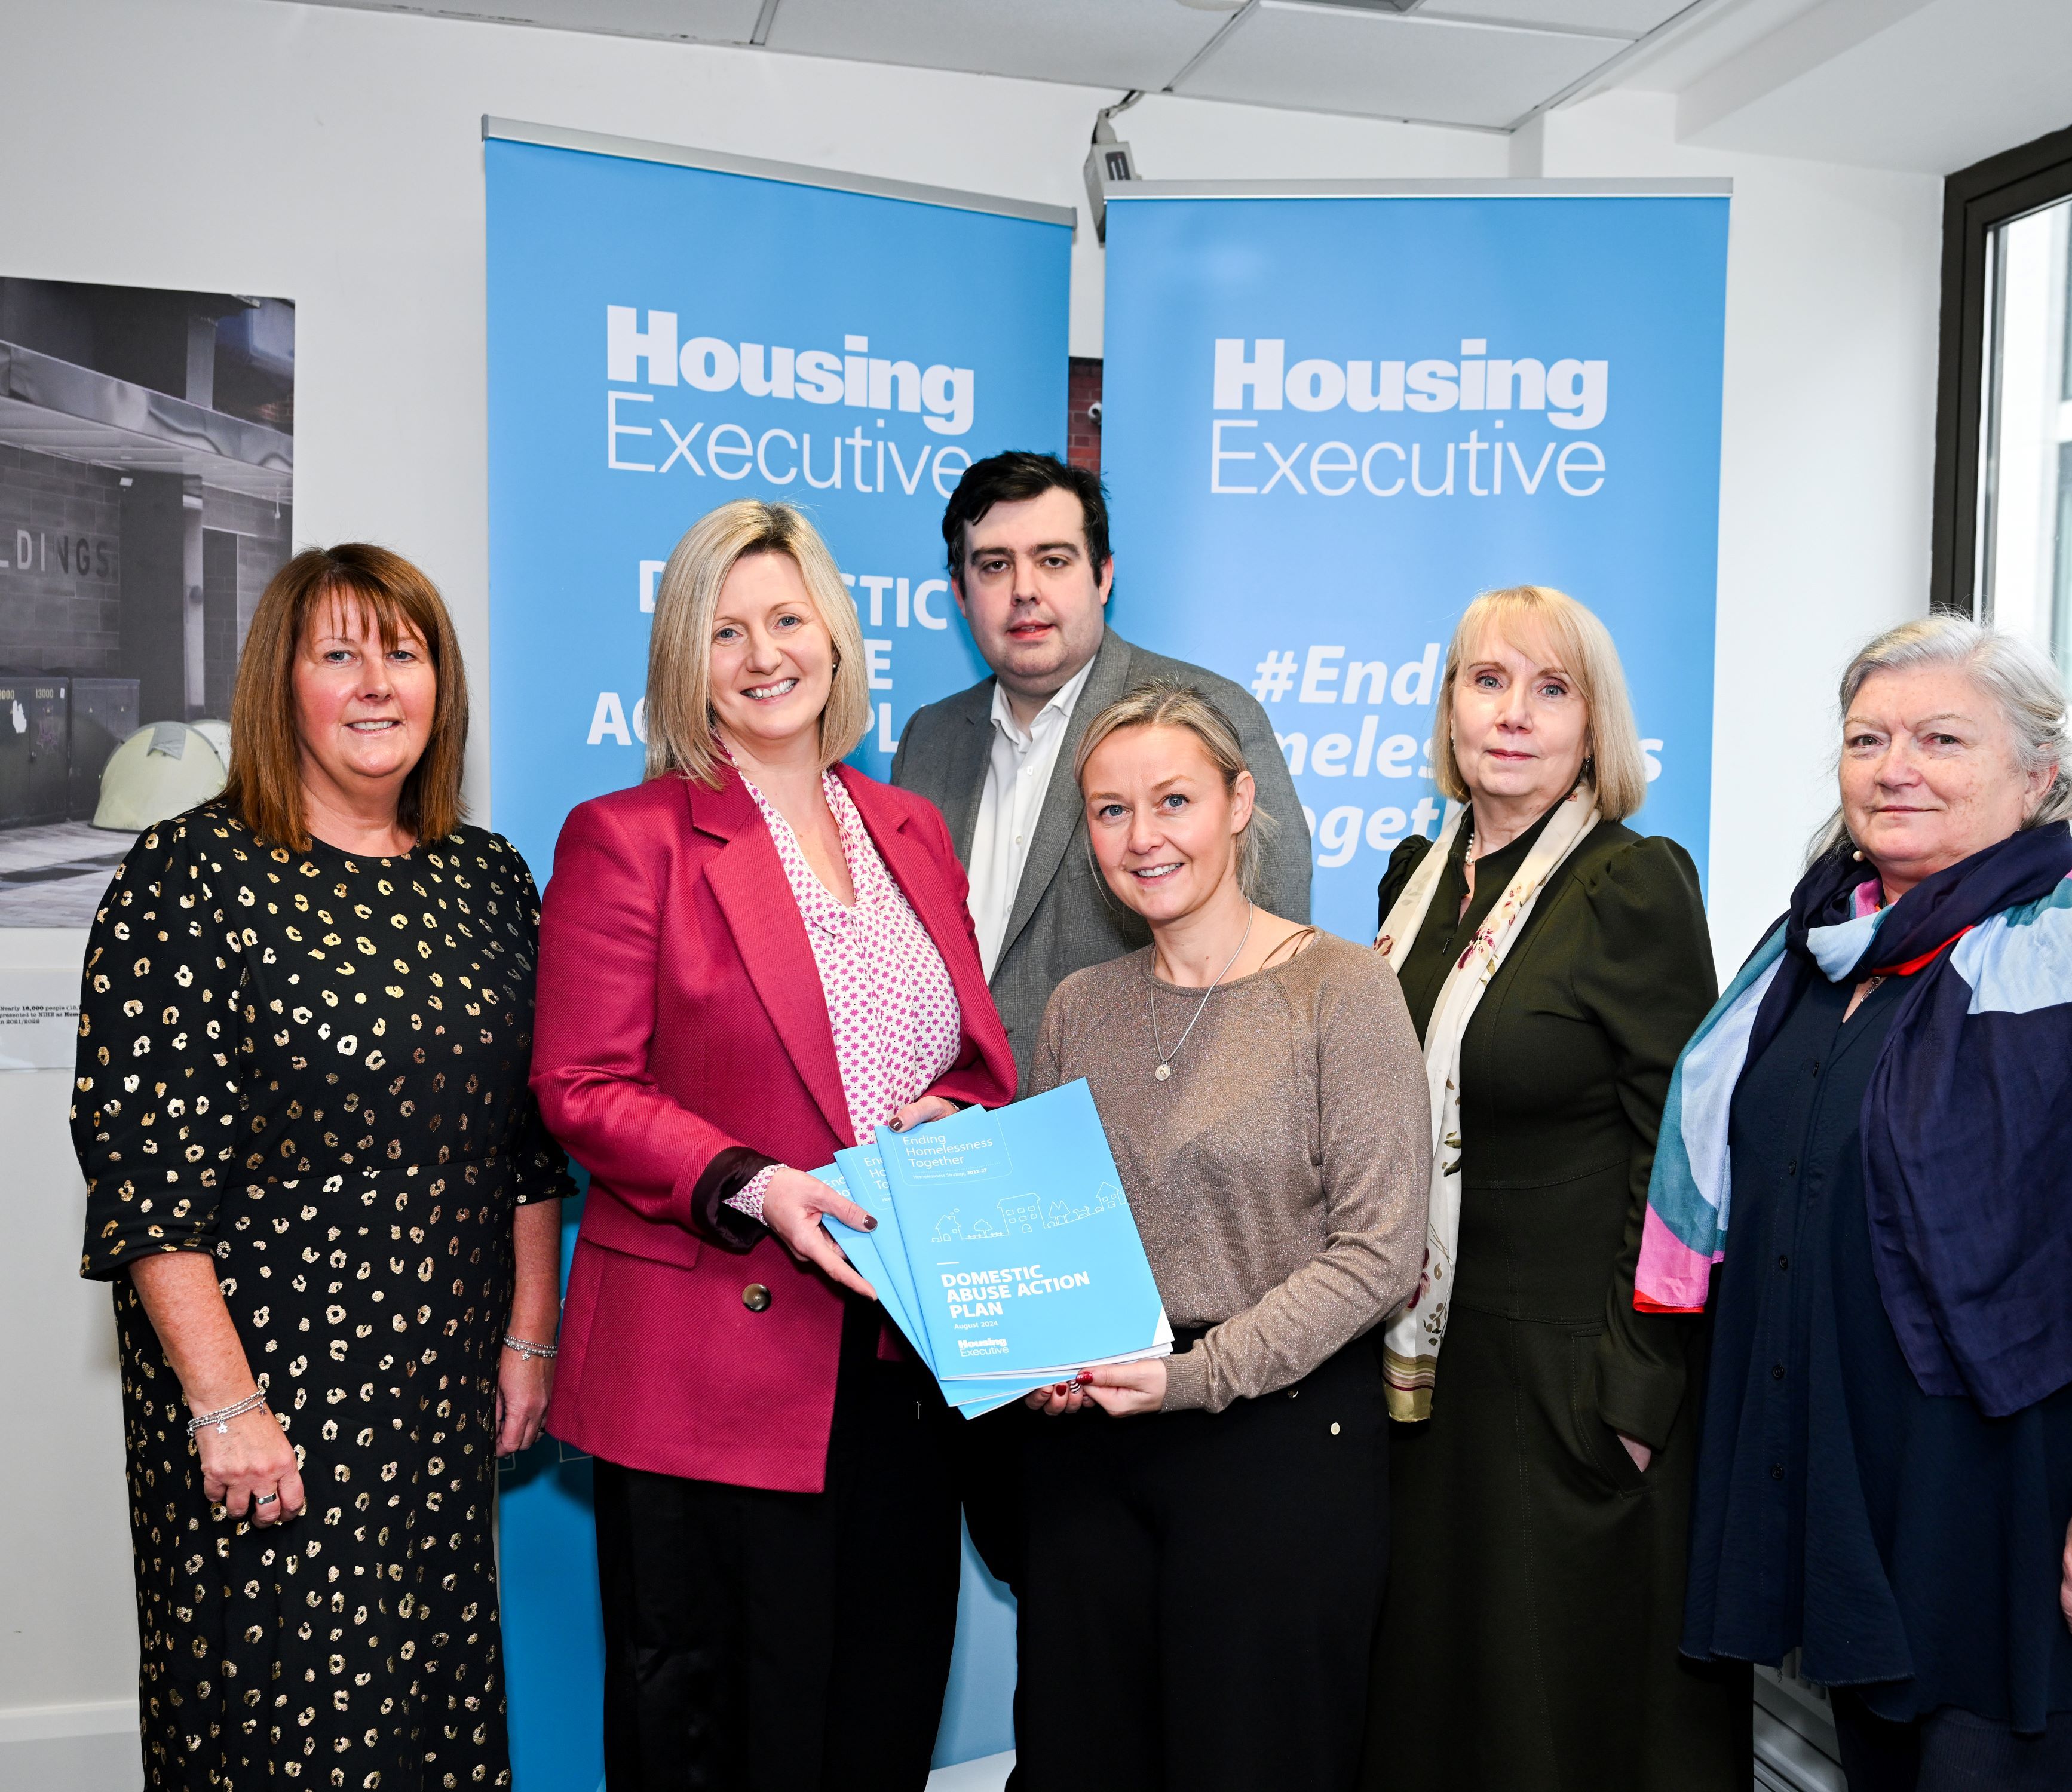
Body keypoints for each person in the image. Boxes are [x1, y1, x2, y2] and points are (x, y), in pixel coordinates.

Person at [1636, 615, 2072, 1792]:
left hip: (2041, 1538)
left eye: (1940, 737)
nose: (1893, 766)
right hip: (1875, 1530)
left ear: (2037, 774)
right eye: (1865, 738)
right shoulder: (1817, 953)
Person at [71, 544, 573, 1790]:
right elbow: (147, 1180)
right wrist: (227, 1409)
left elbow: (524, 1146)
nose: (375, 684)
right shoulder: (190, 878)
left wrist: (527, 1336)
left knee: (428, 1721)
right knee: (276, 1733)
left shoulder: (488, 880)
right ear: (279, 682)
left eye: (402, 654)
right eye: (338, 653)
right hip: (268, 1413)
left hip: (436, 1399)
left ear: (439, 685)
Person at [531, 498, 1013, 1792]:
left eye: (786, 619)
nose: (762, 655)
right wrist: (753, 1183)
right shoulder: (626, 839)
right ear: (685, 661)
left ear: (836, 637)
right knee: (723, 1738)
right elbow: (577, 1083)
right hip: (712, 1374)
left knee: (877, 1712)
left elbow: (969, 1051)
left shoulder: (908, 825)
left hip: (900, 1359)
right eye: (724, 630)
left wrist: (954, 1112)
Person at [890, 449, 1313, 1592]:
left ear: (1105, 573)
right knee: (1034, 1563)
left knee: (1137, 1594)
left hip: (1147, 1247)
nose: (1025, 591)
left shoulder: (1205, 717)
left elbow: (1271, 982)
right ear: (960, 591)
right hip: (974, 1233)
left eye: (1053, 560)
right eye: (993, 566)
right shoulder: (927, 739)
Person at [1357, 585, 1750, 1790]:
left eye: (1550, 687)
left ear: (1595, 724)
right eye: (1487, 681)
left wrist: (1633, 1393)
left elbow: (1685, 1149)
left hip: (1575, 1379)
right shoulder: (1413, 881)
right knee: (1441, 1706)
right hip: (1428, 1369)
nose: (1513, 714)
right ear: (1448, 710)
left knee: (1563, 1719)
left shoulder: (1630, 884)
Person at [1009, 680, 1430, 1792]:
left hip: (1277, 1454)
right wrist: (1039, 1359)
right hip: (1090, 1461)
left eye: (1174, 801)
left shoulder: (1342, 988)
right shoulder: (1078, 1007)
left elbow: (1380, 1251)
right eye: (1109, 811)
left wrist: (1194, 1376)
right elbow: (1051, 1234)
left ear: (1241, 803)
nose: (1142, 838)